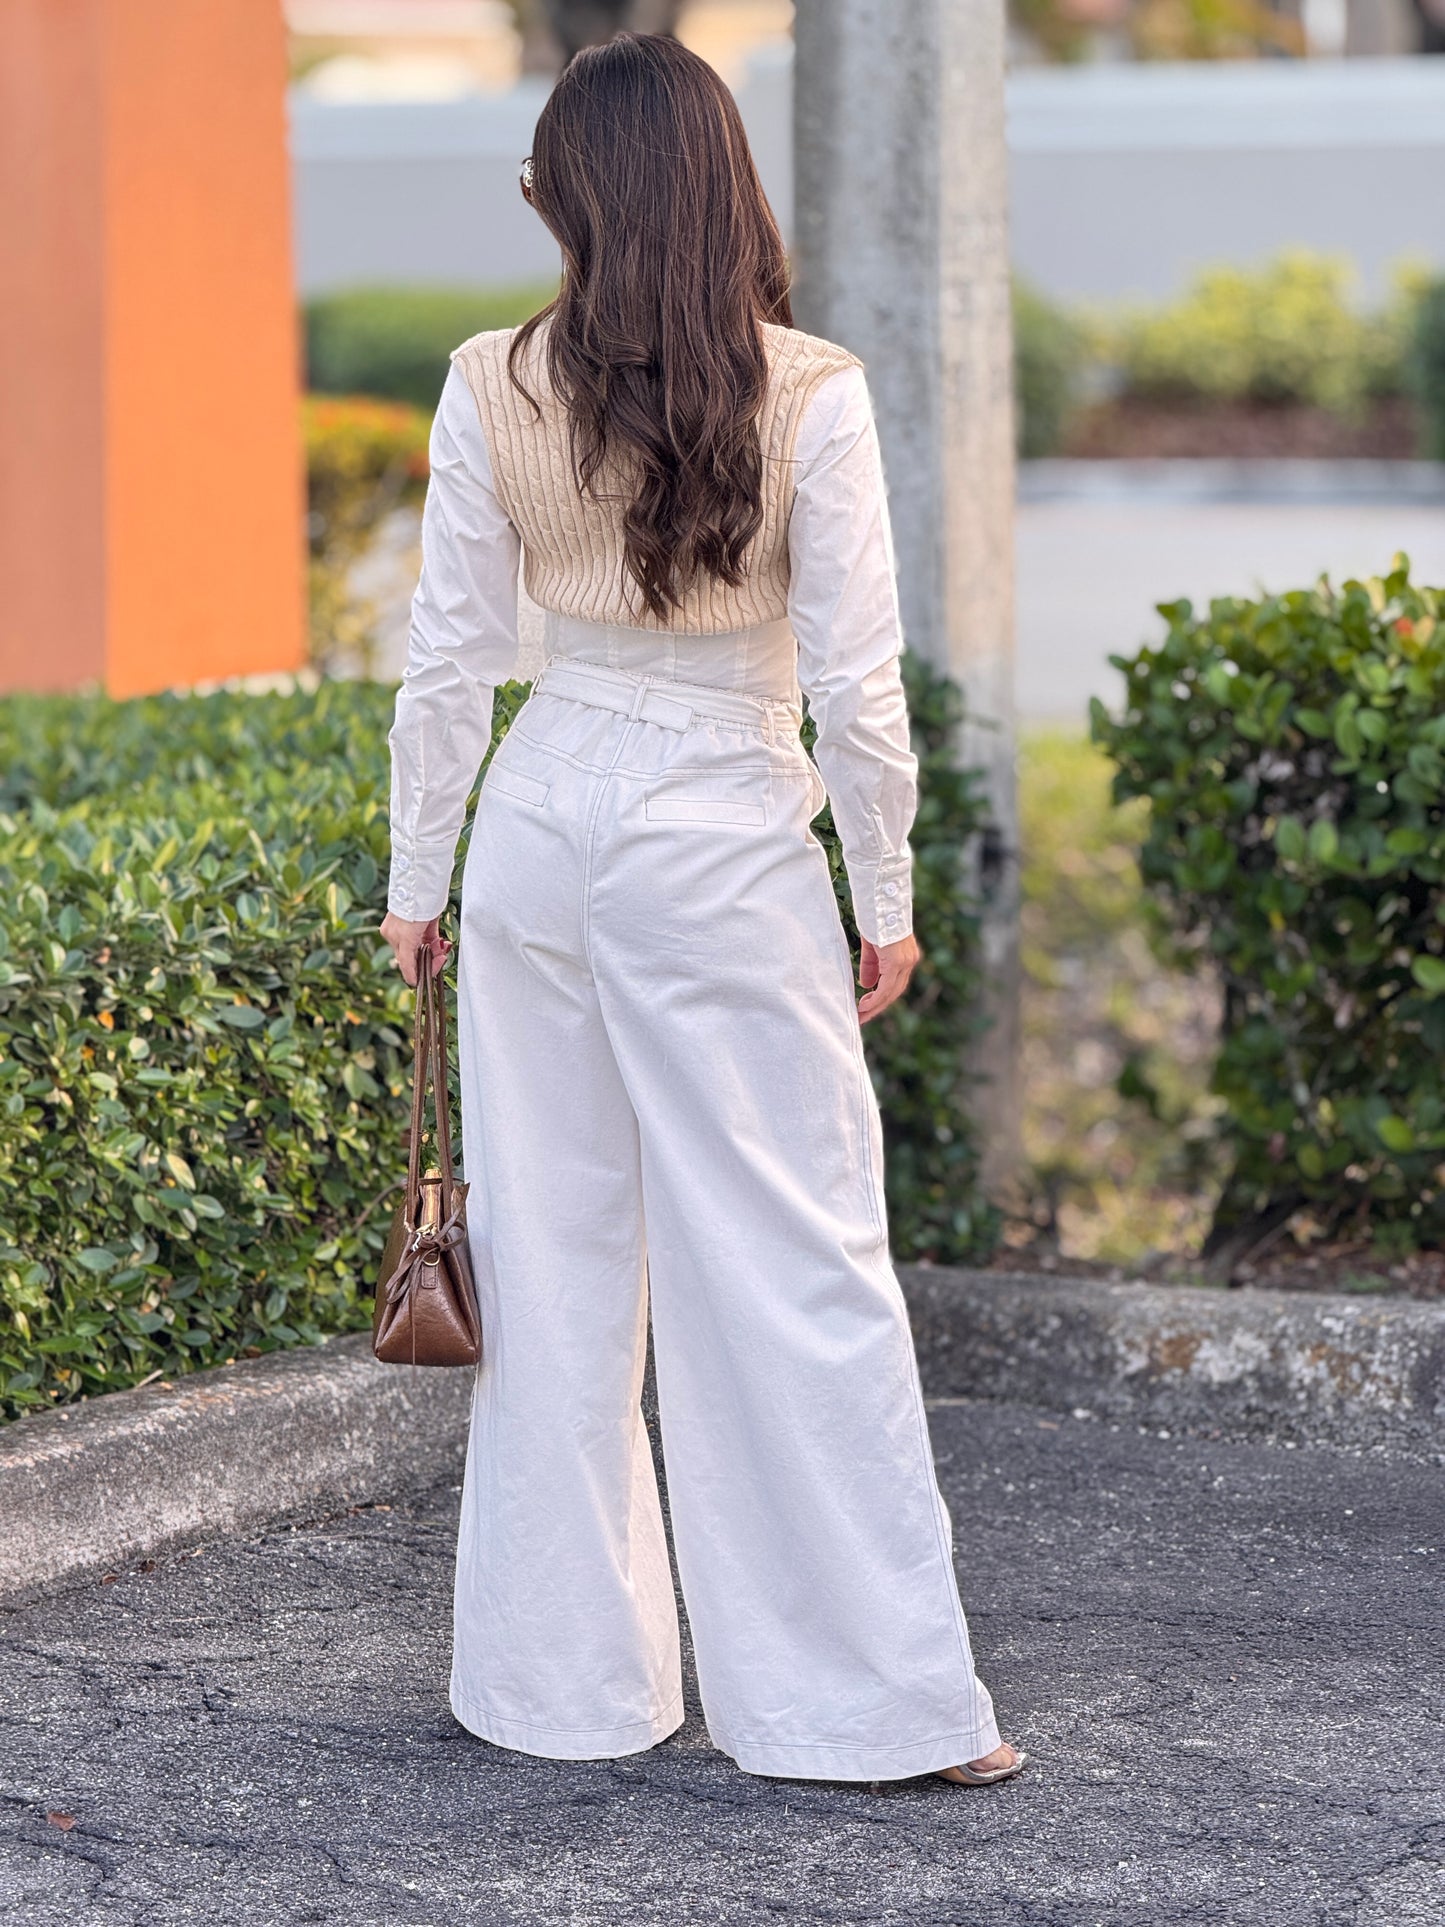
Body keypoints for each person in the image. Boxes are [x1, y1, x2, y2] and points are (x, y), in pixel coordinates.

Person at [381, 31, 1024, 1790]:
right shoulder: (809, 391)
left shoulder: (482, 380)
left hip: (533, 825)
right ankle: (867, 1707)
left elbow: (449, 662)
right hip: (721, 835)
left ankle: (557, 1688)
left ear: (569, 200)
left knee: (555, 1254)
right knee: (795, 1263)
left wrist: (416, 881)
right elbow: (858, 686)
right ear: (726, 185)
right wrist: (879, 894)